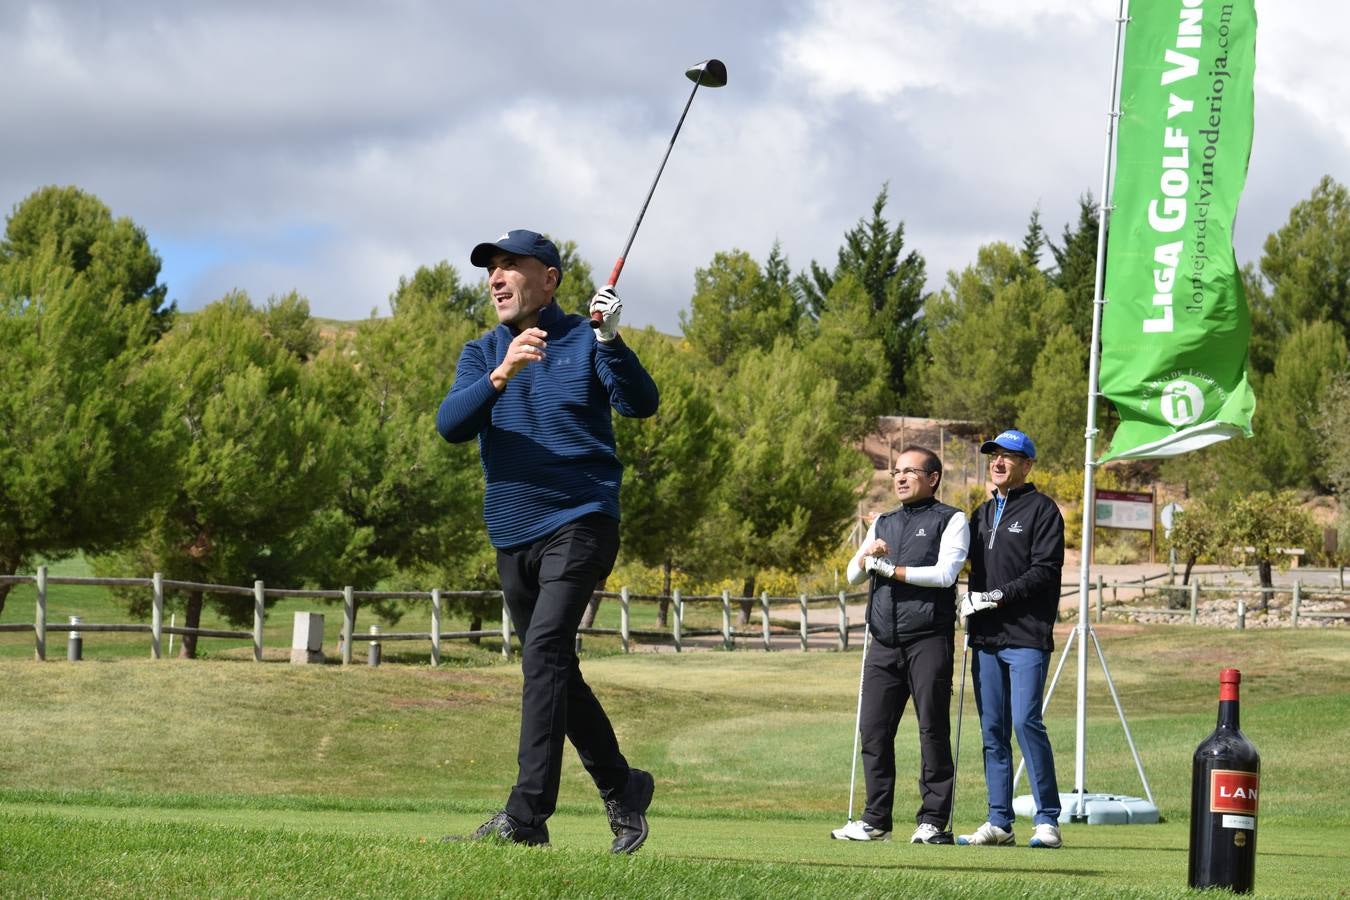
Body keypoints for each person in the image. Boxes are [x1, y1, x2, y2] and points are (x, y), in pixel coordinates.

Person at [436, 229, 660, 853]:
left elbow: (641, 404)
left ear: (550, 278)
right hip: (512, 532)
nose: (496, 278)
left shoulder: (587, 340)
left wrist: (611, 339)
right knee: (555, 668)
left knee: (543, 659)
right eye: (491, 269)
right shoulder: (482, 353)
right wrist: (502, 374)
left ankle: (526, 817)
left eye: (511, 266)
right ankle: (623, 785)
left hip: (582, 520)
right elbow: (451, 424)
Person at [831, 446, 970, 845]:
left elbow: (945, 575)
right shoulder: (884, 522)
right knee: (873, 729)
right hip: (883, 641)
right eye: (897, 472)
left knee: (932, 730)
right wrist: (866, 556)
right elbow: (852, 575)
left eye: (911, 472)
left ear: (933, 478)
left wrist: (893, 569)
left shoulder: (951, 519)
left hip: (928, 638)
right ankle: (876, 820)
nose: (901, 478)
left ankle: (934, 821)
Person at [956, 429, 1065, 849]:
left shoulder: (1043, 511)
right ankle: (999, 821)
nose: (998, 462)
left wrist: (995, 597)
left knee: (1025, 722)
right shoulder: (981, 514)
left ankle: (1047, 819)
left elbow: (1043, 572)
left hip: (1026, 636)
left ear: (1027, 465)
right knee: (993, 730)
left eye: (1008, 456)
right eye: (994, 455)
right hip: (985, 637)